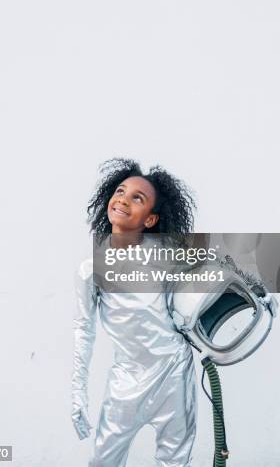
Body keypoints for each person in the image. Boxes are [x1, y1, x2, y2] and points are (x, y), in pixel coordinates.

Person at [71, 158, 197, 467]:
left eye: (137, 198)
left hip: (175, 375)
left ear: (151, 220)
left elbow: (206, 294)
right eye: (120, 191)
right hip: (126, 382)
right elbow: (83, 329)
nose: (123, 200)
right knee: (103, 461)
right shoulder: (91, 269)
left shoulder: (171, 257)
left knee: (175, 462)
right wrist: (77, 391)